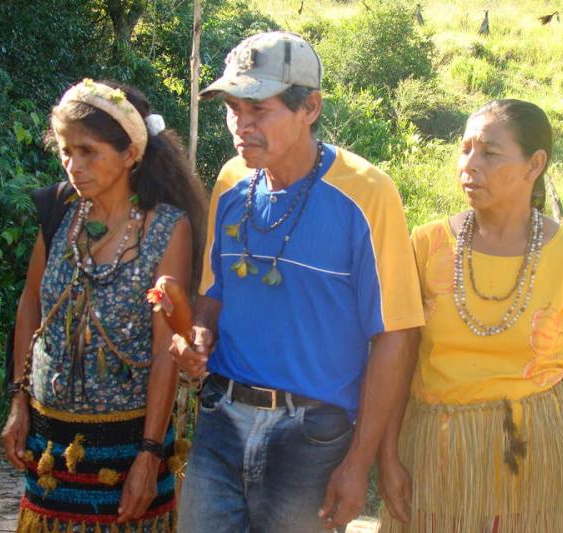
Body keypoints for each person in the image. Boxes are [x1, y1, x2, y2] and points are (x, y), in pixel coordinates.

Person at [170, 31, 425, 533]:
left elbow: (396, 336)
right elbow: (213, 294)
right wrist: (198, 332)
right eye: (232, 109)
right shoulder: (230, 182)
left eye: (258, 110)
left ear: (310, 106)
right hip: (220, 419)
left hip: (312, 437)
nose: (241, 126)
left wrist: (358, 463)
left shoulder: (367, 194)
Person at [377, 99, 563, 533]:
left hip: (530, 452)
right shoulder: (426, 245)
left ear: (535, 165)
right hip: (437, 451)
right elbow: (397, 355)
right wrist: (388, 455)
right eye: (465, 149)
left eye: (489, 152)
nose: (469, 165)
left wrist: (540, 371)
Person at [0, 79, 208, 532]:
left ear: (130, 153)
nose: (73, 165)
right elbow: (30, 304)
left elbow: (164, 349)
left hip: (127, 447)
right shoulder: (59, 211)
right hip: (51, 445)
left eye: (88, 151)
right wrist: (19, 403)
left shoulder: (167, 230)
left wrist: (150, 457)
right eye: (65, 151)